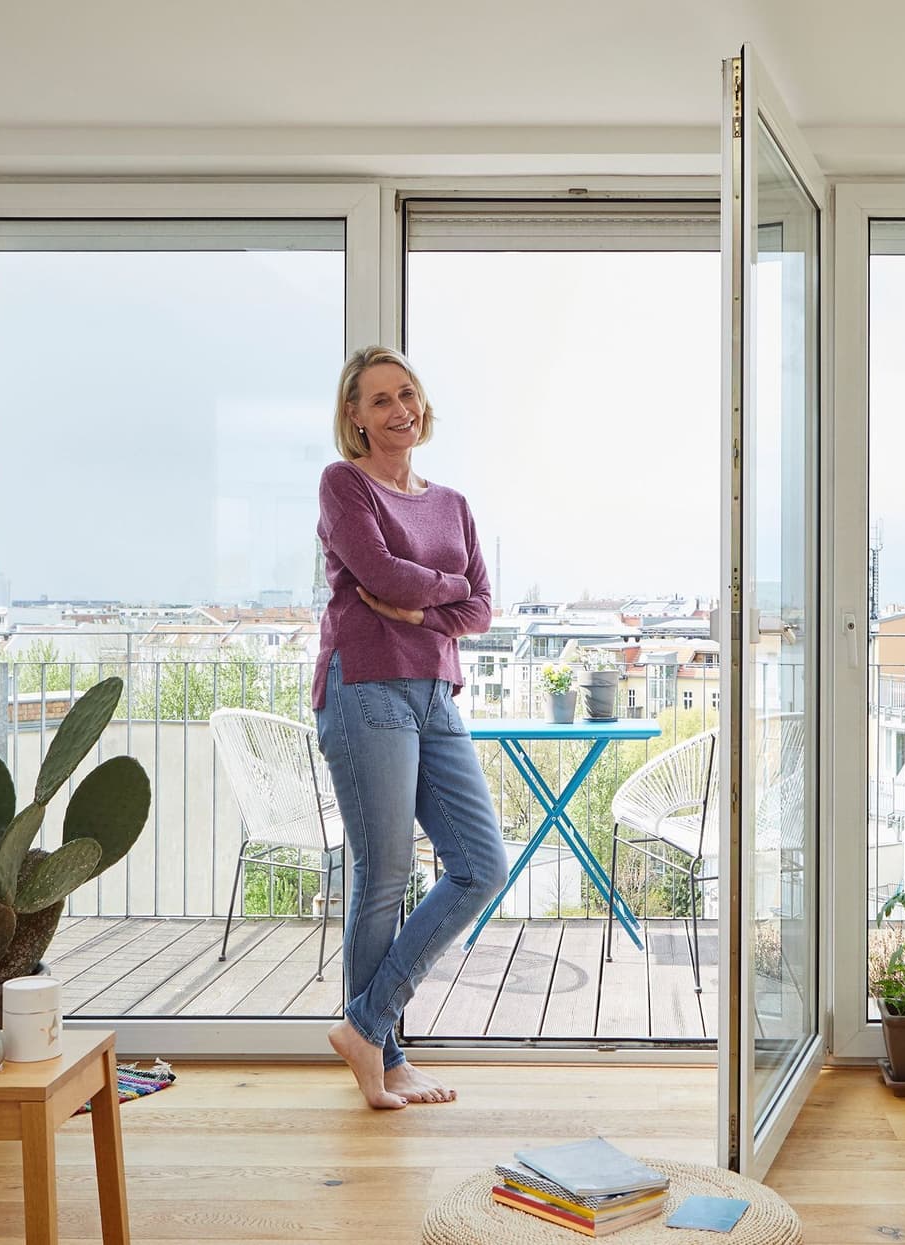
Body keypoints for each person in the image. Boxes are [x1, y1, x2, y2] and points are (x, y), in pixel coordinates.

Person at [312, 345, 506, 1110]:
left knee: (480, 864)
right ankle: (384, 1059)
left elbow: (481, 606)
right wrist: (442, 591)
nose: (401, 410)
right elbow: (378, 575)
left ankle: (364, 1026)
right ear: (354, 415)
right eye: (381, 399)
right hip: (364, 687)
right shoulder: (344, 485)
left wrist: (428, 602)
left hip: (436, 692)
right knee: (385, 872)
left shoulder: (452, 503)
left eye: (409, 394)